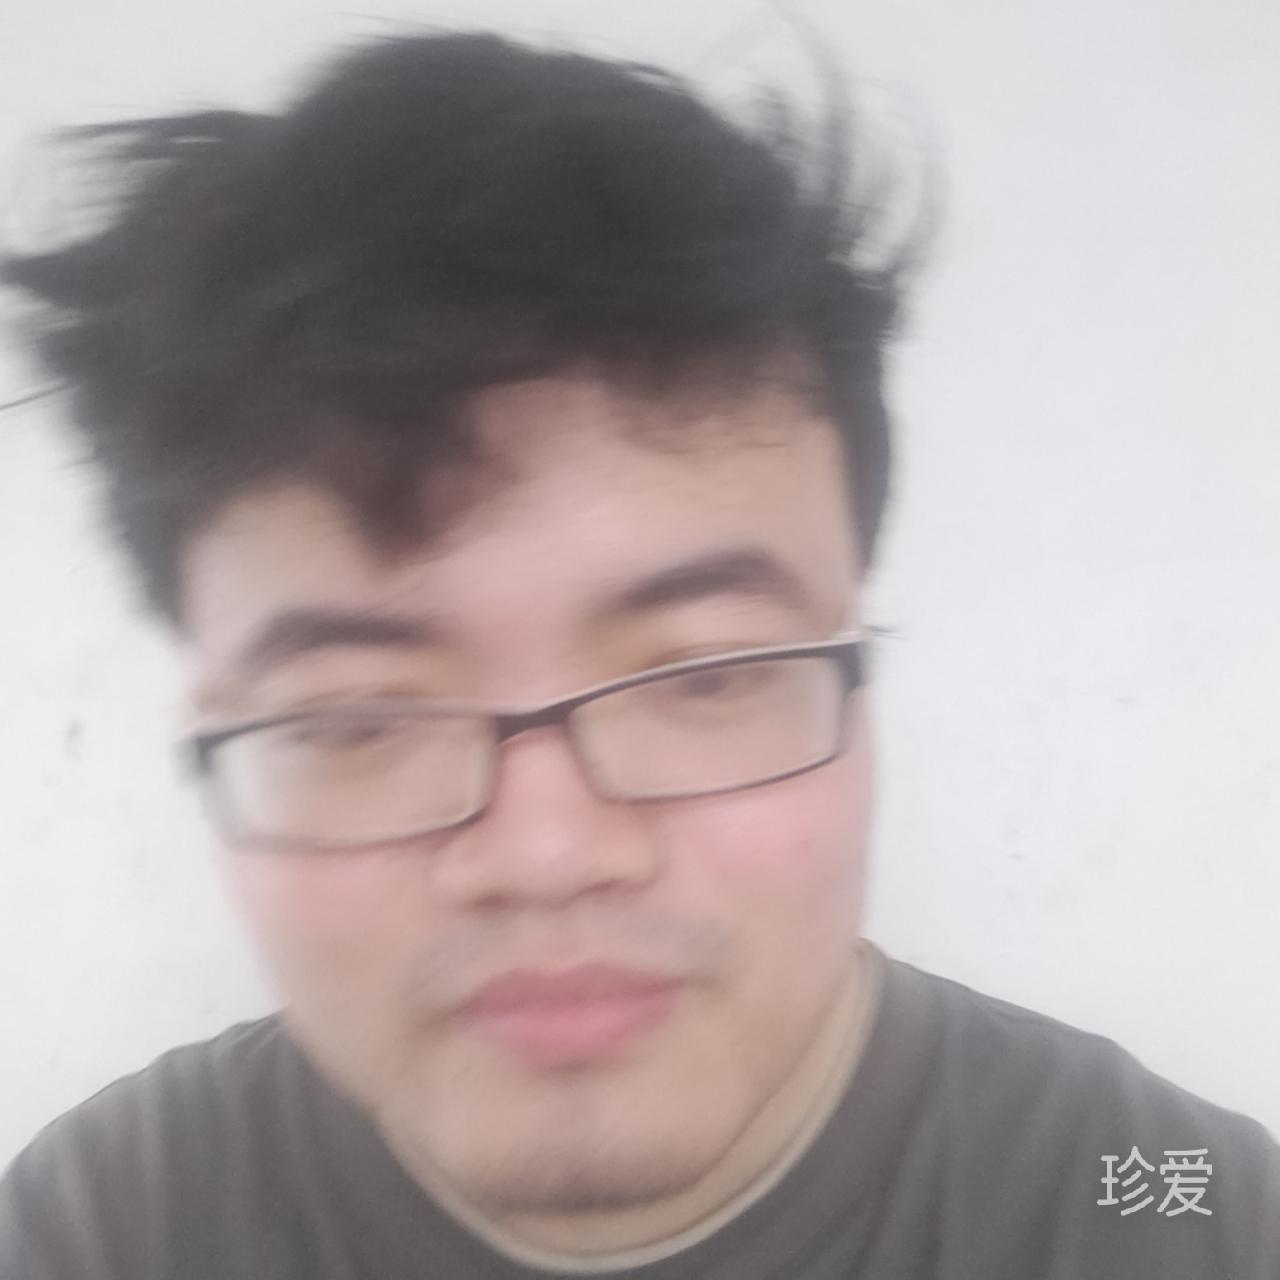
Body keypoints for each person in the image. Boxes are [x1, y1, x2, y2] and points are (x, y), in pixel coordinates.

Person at [0, 29, 1275, 1280]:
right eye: (355, 718)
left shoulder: (1184, 1216)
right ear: (209, 738)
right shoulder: (93, 1230)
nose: (546, 854)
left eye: (702, 674)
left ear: (857, 675)